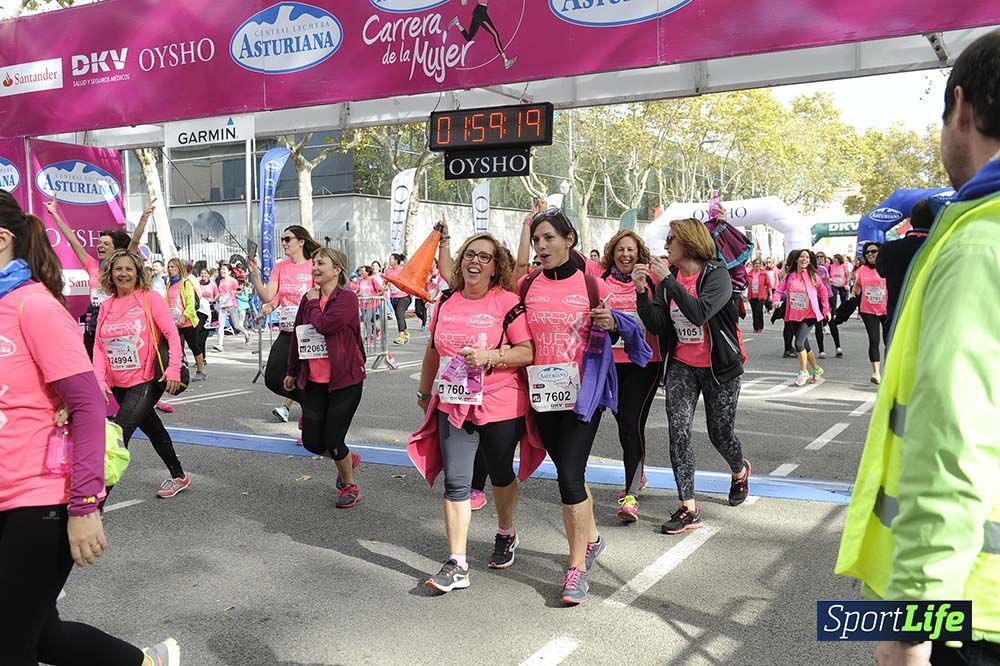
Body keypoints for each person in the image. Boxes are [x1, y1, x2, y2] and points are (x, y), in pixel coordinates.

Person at [837, 30, 1000, 666]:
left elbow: (951, 442)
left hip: (970, 607)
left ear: (960, 108)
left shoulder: (977, 243)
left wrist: (907, 629)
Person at [0, 191, 181, 666]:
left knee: (12, 646)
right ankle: (146, 663)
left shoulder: (32, 307)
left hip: (40, 498)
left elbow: (86, 407)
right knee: (43, 637)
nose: (118, 273)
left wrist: (85, 504)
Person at [414, 233, 535, 592]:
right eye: (470, 254)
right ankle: (457, 563)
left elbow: (527, 351)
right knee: (456, 481)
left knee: (500, 474)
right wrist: (425, 389)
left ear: (496, 265)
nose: (475, 261)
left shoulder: (507, 301)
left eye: (484, 257)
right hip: (453, 403)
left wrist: (491, 357)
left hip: (500, 402)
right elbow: (433, 350)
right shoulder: (446, 300)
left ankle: (506, 530)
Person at [520, 208, 615, 605]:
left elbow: (626, 328)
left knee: (570, 479)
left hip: (583, 398)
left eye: (549, 239)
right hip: (541, 396)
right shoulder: (527, 285)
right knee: (566, 470)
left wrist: (612, 323)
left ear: (569, 240)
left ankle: (576, 569)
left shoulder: (592, 285)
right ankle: (592, 539)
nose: (541, 247)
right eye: (537, 240)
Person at [635, 218, 751, 536]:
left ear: (688, 242)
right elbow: (658, 324)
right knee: (679, 431)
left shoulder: (717, 275)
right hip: (682, 365)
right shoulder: (669, 278)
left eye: (672, 239)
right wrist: (642, 292)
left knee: (720, 434)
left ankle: (739, 470)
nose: (667, 245)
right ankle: (688, 506)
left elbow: (698, 313)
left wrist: (668, 283)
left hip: (720, 367)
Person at [92, 250, 190, 499]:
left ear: (137, 273)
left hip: (147, 379)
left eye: (129, 269)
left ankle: (95, 504)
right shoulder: (106, 306)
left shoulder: (150, 299)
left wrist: (174, 368)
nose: (123, 273)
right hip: (118, 382)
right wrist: (99, 379)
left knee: (117, 434)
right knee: (153, 428)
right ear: (110, 274)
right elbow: (99, 346)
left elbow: (171, 335)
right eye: (118, 269)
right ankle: (179, 476)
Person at [284, 248, 366, 509]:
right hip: (314, 381)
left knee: (332, 437)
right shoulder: (307, 300)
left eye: (322, 263)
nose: (315, 268)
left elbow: (326, 325)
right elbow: (299, 334)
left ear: (337, 270)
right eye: (314, 264)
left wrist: (311, 303)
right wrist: (292, 370)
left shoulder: (347, 299)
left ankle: (349, 484)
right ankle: (347, 457)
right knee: (311, 441)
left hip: (345, 381)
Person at [599, 230, 662, 523]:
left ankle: (631, 494)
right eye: (620, 250)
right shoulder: (601, 284)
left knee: (630, 421)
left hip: (645, 362)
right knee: (626, 423)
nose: (626, 255)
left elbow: (661, 320)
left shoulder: (651, 280)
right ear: (612, 254)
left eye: (631, 250)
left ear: (639, 254)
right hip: (611, 363)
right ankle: (638, 472)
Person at [45, 197, 153, 359]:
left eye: (105, 244)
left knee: (114, 358)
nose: (100, 246)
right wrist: (54, 214)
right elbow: (72, 240)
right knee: (93, 359)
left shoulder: (120, 267)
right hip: (94, 320)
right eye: (99, 243)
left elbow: (135, 240)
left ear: (115, 248)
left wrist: (145, 215)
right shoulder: (92, 265)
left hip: (116, 318)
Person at [247, 225, 320, 415]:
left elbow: (322, 295)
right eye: (282, 239)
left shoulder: (314, 265)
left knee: (308, 376)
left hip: (309, 331)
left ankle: (310, 416)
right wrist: (254, 273)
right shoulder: (281, 267)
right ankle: (311, 403)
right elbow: (269, 296)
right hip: (287, 332)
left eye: (288, 239)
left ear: (301, 242)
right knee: (272, 377)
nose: (284, 243)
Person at [772, 249, 830, 386]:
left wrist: (827, 309)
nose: (805, 259)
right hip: (793, 314)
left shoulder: (813, 275)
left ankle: (803, 371)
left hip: (809, 314)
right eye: (802, 257)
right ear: (797, 259)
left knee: (798, 343)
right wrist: (775, 300)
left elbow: (823, 292)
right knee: (804, 345)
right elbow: (779, 290)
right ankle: (817, 369)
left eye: (807, 257)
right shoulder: (789, 276)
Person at [877, 199, 934, 330]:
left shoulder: (889, 249)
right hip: (933, 322)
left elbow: (881, 271)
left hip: (898, 321)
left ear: (911, 222)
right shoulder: (945, 248)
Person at [852, 241, 888, 385]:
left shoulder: (887, 267)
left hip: (886, 310)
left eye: (873, 251)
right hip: (868, 310)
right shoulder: (862, 270)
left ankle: (890, 371)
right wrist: (853, 293)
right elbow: (857, 285)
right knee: (874, 340)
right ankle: (876, 372)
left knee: (889, 341)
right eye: (867, 252)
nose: (870, 254)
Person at [166, 258, 206, 381]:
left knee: (194, 345)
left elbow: (190, 303)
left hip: (187, 322)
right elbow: (167, 302)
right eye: (169, 267)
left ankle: (200, 371)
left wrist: (184, 316)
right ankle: (180, 372)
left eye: (173, 267)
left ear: (179, 269)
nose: (170, 269)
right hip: (174, 322)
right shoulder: (169, 284)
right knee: (177, 348)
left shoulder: (185, 283)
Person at [449, 0, 517, 70]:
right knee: (495, 35)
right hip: (480, 13)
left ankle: (457, 23)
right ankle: (506, 61)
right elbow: (463, 3)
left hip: (480, 11)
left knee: (469, 38)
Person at [212, 263, 251, 352]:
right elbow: (219, 292)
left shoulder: (233, 281)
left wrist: (233, 292)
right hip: (223, 305)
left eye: (224, 269)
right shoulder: (220, 281)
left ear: (229, 271)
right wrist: (215, 299)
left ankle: (246, 334)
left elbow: (239, 291)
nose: (222, 271)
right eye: (221, 269)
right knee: (221, 325)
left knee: (236, 325)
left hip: (231, 304)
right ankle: (220, 345)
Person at [814, 252, 842, 359]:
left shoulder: (826, 268)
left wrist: (830, 294)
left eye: (821, 257)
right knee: (818, 323)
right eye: (817, 257)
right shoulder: (810, 270)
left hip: (828, 297)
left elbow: (828, 283)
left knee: (831, 321)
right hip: (816, 298)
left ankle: (838, 347)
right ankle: (821, 350)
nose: (819, 258)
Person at [385, 253, 412, 345]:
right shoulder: (388, 271)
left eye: (391, 259)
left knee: (400, 315)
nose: (390, 261)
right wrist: (382, 289)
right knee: (398, 316)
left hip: (404, 297)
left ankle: (401, 337)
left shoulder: (403, 270)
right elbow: (386, 282)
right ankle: (406, 332)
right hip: (393, 297)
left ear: (396, 260)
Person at [195, 267, 217, 365]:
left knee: (203, 336)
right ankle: (200, 358)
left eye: (205, 273)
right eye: (202, 273)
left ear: (208, 274)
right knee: (197, 335)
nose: (203, 275)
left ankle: (203, 358)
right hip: (199, 310)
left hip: (208, 311)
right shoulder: (197, 284)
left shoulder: (212, 284)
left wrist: (213, 301)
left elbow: (217, 294)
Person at [746, 258, 771, 333]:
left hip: (761, 295)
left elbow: (768, 284)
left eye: (759, 263)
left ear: (761, 265)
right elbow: (746, 284)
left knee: (759, 310)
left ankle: (760, 327)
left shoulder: (764, 273)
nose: (757, 265)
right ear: (753, 265)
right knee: (754, 312)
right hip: (752, 295)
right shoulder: (749, 274)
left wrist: (771, 295)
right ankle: (755, 327)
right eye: (756, 263)